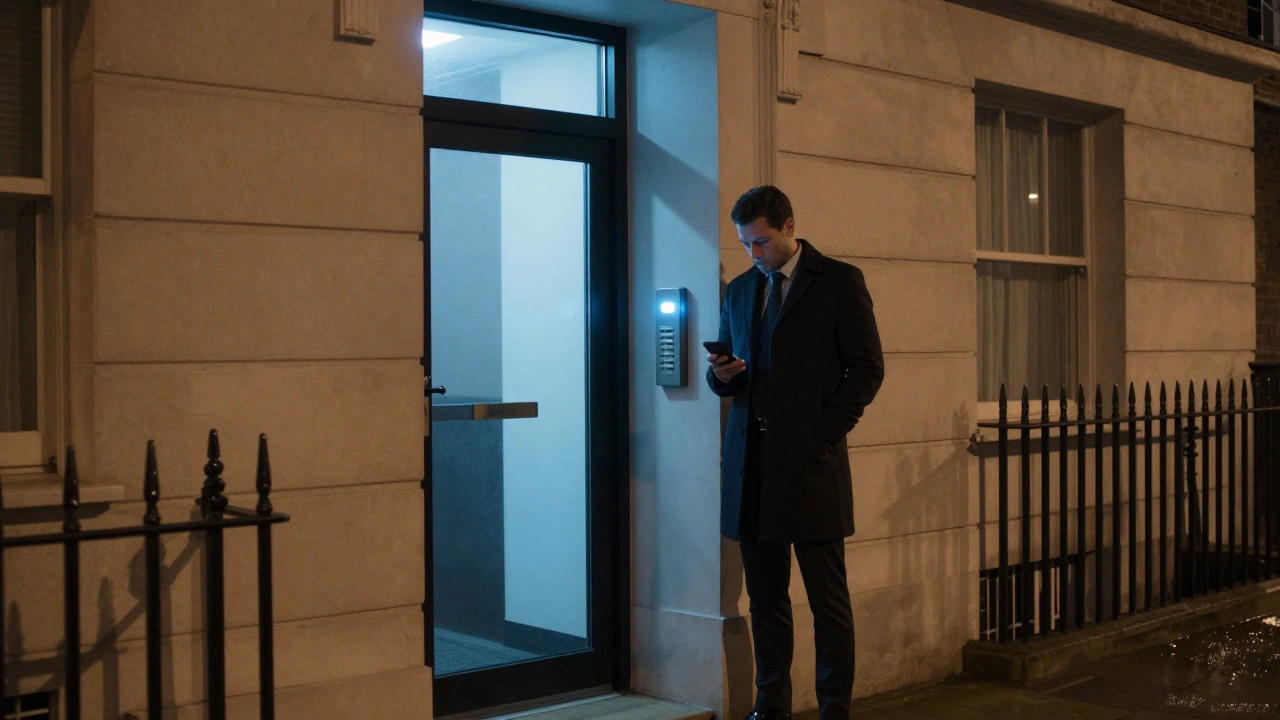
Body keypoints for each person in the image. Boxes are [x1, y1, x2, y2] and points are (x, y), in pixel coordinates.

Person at [707, 186, 884, 720]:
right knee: (765, 601)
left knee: (828, 604)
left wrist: (822, 432)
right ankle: (771, 707)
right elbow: (729, 380)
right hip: (753, 469)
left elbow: (867, 369)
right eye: (744, 245)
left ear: (788, 227)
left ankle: (834, 710)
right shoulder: (740, 290)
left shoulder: (839, 282)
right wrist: (721, 375)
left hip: (811, 469)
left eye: (760, 242)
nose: (753, 254)